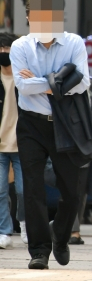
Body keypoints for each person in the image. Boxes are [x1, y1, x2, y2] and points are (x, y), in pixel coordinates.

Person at [12, 0, 92, 270]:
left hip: (65, 122)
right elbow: (23, 88)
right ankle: (39, 250)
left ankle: (60, 235)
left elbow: (83, 84)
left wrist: (41, 81)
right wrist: (59, 80)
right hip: (31, 124)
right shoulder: (20, 46)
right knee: (31, 189)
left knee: (72, 191)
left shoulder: (74, 43)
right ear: (29, 19)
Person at [0, 32, 25, 249]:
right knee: (0, 190)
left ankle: (26, 226)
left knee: (24, 190)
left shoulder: (22, 75)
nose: (2, 53)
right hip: (0, 145)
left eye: (6, 49)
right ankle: (4, 231)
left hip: (22, 144)